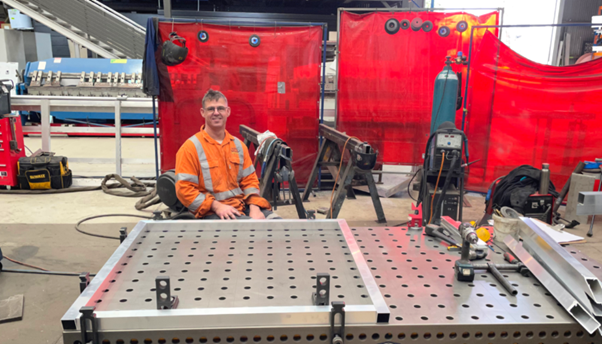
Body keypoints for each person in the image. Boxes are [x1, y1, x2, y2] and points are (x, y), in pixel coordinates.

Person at [175, 89, 279, 220]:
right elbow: (184, 189)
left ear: (227, 111)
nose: (216, 113)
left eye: (220, 108)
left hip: (242, 206)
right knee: (252, 230)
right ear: (203, 112)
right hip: (210, 211)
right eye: (211, 109)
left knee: (277, 224)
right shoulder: (190, 148)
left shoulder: (238, 146)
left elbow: (250, 182)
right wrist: (216, 206)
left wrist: (255, 208)